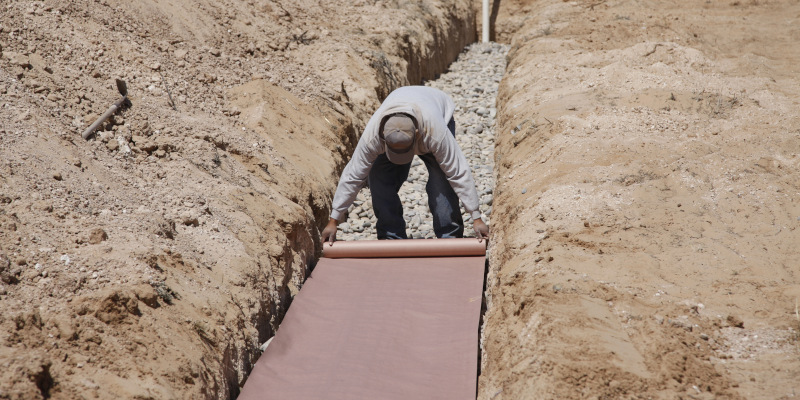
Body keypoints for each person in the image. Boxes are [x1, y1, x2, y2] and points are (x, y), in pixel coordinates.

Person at [320, 86, 489, 243]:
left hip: (435, 110)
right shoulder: (373, 136)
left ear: (416, 136)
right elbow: (353, 176)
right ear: (384, 138)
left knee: (441, 181)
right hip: (405, 112)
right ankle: (391, 236)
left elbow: (458, 172)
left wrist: (476, 217)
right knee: (378, 177)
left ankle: (449, 236)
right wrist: (333, 220)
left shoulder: (436, 133)